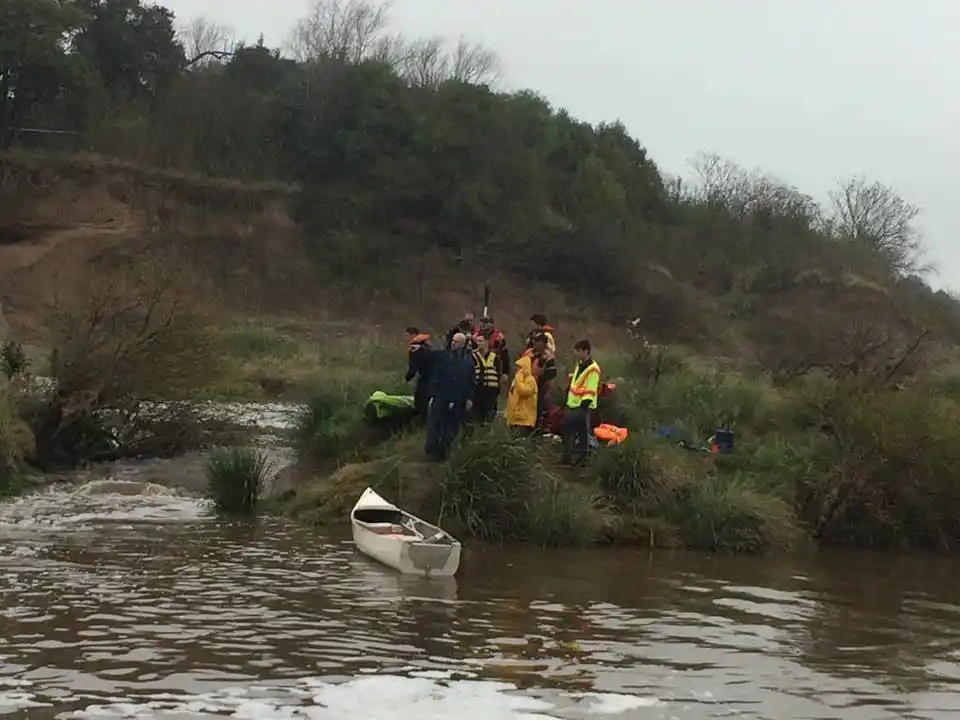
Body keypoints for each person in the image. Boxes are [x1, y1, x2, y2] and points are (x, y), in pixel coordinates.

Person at [425, 332, 475, 460]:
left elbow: (471, 381)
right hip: (441, 396)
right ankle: (431, 448)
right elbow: (435, 374)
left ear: (462, 344)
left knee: (451, 426)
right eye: (453, 341)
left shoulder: (468, 361)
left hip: (458, 398)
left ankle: (443, 451)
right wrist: (432, 393)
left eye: (456, 342)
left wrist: (469, 398)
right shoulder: (444, 357)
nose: (453, 343)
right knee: (435, 423)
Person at [562, 340, 601, 465]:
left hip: (582, 407)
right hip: (573, 404)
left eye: (578, 351)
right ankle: (572, 458)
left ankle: (579, 459)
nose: (575, 353)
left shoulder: (593, 369)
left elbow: (590, 390)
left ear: (586, 351)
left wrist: (582, 408)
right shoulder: (580, 364)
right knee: (575, 432)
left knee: (580, 433)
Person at [470, 333, 502, 426]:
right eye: (477, 341)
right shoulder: (472, 356)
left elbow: (499, 374)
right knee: (475, 419)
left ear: (487, 342)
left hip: (490, 392)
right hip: (477, 391)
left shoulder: (495, 357)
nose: (478, 343)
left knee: (488, 419)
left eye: (481, 341)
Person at [404, 327, 434, 421]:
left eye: (407, 336)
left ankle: (422, 419)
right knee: (428, 396)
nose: (406, 338)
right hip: (434, 375)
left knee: (420, 398)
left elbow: (413, 366)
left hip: (426, 376)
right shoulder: (428, 344)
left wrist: (407, 378)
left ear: (413, 335)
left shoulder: (414, 348)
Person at [529, 332, 557, 430]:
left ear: (543, 343)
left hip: (543, 388)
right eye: (534, 341)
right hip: (529, 387)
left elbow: (552, 373)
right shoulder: (531, 353)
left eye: (537, 341)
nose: (535, 343)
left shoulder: (548, 356)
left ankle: (541, 429)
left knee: (542, 409)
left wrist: (539, 379)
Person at [505, 353, 537, 436]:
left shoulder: (530, 380)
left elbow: (523, 391)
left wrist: (518, 379)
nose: (517, 370)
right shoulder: (516, 381)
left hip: (525, 420)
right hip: (515, 419)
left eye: (520, 368)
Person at [477, 316, 510, 384]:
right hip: (479, 367)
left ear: (492, 324)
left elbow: (504, 355)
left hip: (494, 367)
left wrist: (505, 372)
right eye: (482, 322)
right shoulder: (476, 335)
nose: (483, 324)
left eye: (486, 322)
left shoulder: (499, 337)